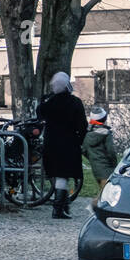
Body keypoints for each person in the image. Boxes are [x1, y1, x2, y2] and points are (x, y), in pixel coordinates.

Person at [39, 71, 88, 219]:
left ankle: (63, 206)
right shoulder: (75, 103)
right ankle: (59, 209)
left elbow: (39, 115)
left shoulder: (48, 103)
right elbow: (82, 126)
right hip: (68, 144)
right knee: (63, 176)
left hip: (50, 143)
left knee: (59, 176)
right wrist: (80, 141)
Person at [83, 106, 119, 203]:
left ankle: (97, 209)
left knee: (104, 192)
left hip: (96, 168)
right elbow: (111, 151)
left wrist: (93, 159)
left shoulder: (88, 134)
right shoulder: (106, 133)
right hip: (107, 168)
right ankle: (94, 209)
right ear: (104, 118)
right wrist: (114, 164)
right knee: (106, 195)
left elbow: (84, 150)